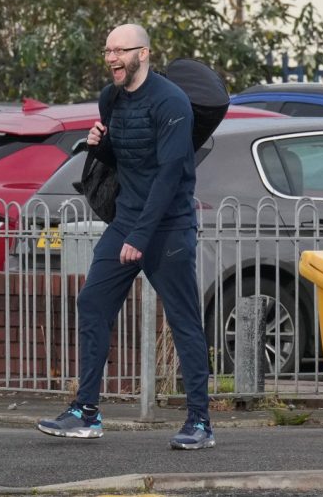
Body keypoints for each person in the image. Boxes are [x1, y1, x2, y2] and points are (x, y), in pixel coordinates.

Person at [36, 23, 215, 450]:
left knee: (183, 319)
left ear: (145, 54)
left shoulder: (172, 103)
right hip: (127, 222)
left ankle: (200, 423)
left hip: (168, 227)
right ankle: (86, 413)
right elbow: (126, 157)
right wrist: (100, 144)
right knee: (92, 302)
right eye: (108, 50)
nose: (112, 58)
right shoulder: (110, 97)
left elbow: (169, 173)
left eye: (121, 51)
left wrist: (140, 233)